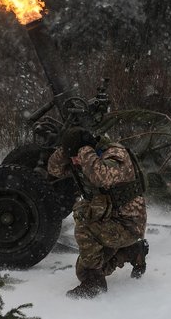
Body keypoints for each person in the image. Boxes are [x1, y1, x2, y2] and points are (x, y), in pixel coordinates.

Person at [47, 127, 148, 299]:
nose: (74, 162)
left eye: (76, 156)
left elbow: (103, 177)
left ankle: (95, 284)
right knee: (83, 270)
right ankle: (132, 251)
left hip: (128, 225)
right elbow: (53, 169)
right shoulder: (86, 160)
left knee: (84, 227)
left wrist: (84, 151)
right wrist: (67, 149)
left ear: (88, 148)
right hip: (108, 221)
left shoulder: (116, 154)